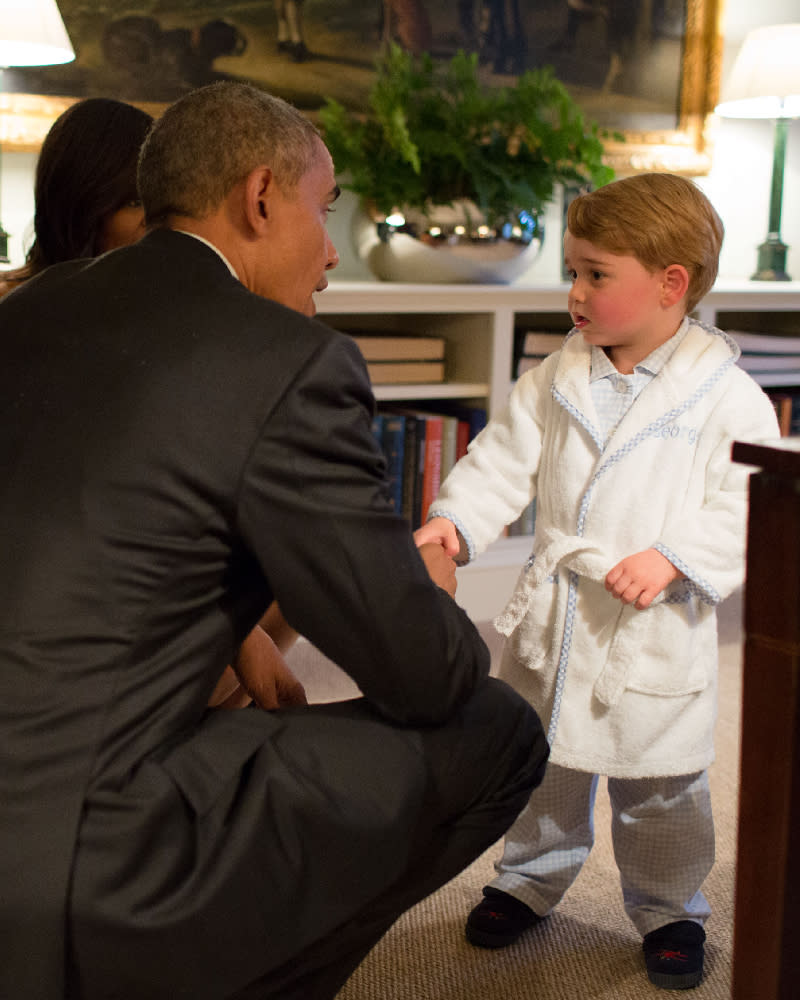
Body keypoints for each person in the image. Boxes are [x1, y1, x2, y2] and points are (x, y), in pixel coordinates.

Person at [0, 80, 548, 1000]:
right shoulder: (287, 361)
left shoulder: (24, 309)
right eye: (323, 209)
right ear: (260, 198)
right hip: (68, 864)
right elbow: (423, 674)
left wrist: (237, 627)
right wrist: (432, 598)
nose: (333, 252)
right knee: (495, 730)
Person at [415, 172, 780, 991]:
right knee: (546, 764)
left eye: (595, 274)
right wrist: (457, 523)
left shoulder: (726, 397)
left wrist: (678, 556)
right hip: (561, 613)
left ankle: (672, 907)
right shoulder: (556, 376)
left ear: (670, 284)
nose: (573, 292)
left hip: (653, 623)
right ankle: (528, 879)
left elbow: (747, 498)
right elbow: (501, 458)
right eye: (571, 271)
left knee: (662, 785)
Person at [0, 97, 154, 298]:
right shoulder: (15, 309)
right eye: (135, 203)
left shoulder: (163, 304)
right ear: (83, 204)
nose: (159, 221)